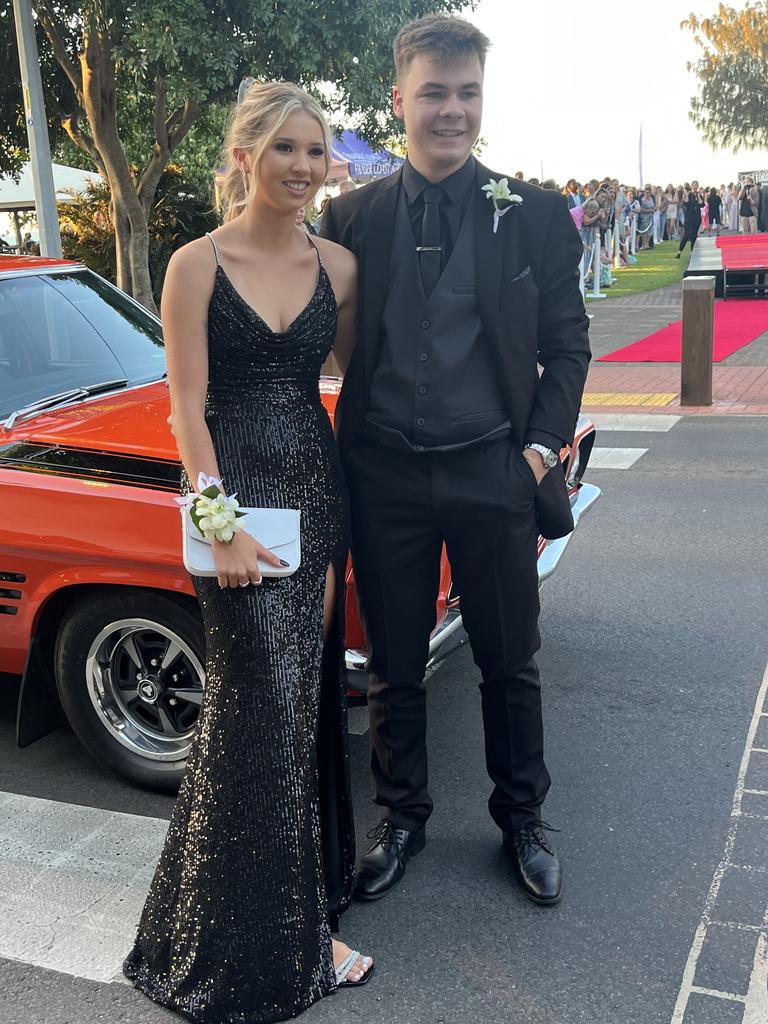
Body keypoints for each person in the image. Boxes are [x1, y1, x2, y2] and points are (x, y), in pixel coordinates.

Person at [322, 14, 590, 907]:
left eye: (467, 92)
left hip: (493, 469)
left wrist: (536, 457)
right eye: (433, 92)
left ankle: (523, 818)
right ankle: (401, 816)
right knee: (395, 661)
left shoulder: (538, 215)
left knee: (510, 659)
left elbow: (568, 348)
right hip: (386, 472)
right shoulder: (348, 217)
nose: (452, 111)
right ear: (398, 99)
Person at [123, 81, 374, 1023]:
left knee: (300, 706)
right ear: (244, 156)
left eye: (315, 151)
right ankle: (237, 934)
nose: (304, 167)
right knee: (249, 710)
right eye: (284, 150)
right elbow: (186, 410)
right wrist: (216, 522)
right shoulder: (195, 263)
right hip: (236, 503)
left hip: (317, 489)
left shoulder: (341, 267)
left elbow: (358, 377)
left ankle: (300, 914)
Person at [675, 191, 702, 257]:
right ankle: (679, 251)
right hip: (688, 219)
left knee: (694, 235)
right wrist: (687, 194)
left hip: (696, 219)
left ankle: (692, 251)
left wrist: (698, 196)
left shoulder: (699, 197)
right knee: (686, 235)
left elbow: (701, 204)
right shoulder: (688, 197)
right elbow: (686, 203)